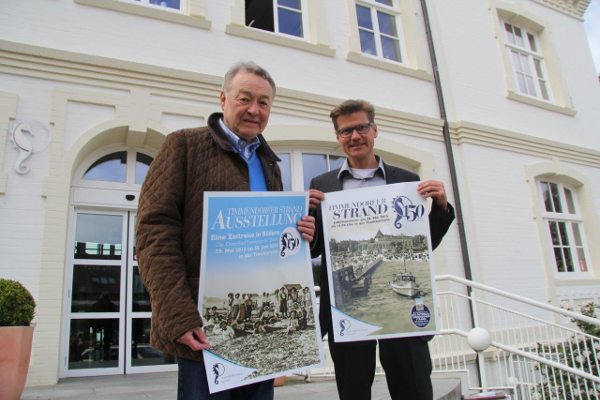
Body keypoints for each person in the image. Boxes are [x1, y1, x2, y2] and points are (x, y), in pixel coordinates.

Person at [136, 61, 316, 400]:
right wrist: (178, 314)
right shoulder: (183, 146)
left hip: (259, 336)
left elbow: (274, 241)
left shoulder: (270, 163)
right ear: (223, 99)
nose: (254, 109)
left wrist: (301, 230)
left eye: (263, 103)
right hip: (202, 327)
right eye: (244, 98)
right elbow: (153, 234)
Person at [309, 100, 455, 400]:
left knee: (413, 388)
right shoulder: (322, 185)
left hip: (404, 314)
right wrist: (305, 222)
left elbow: (424, 243)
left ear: (374, 130)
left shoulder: (407, 181)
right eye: (345, 131)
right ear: (338, 137)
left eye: (361, 127)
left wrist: (441, 207)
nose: (355, 136)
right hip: (344, 312)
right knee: (353, 391)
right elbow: (315, 249)